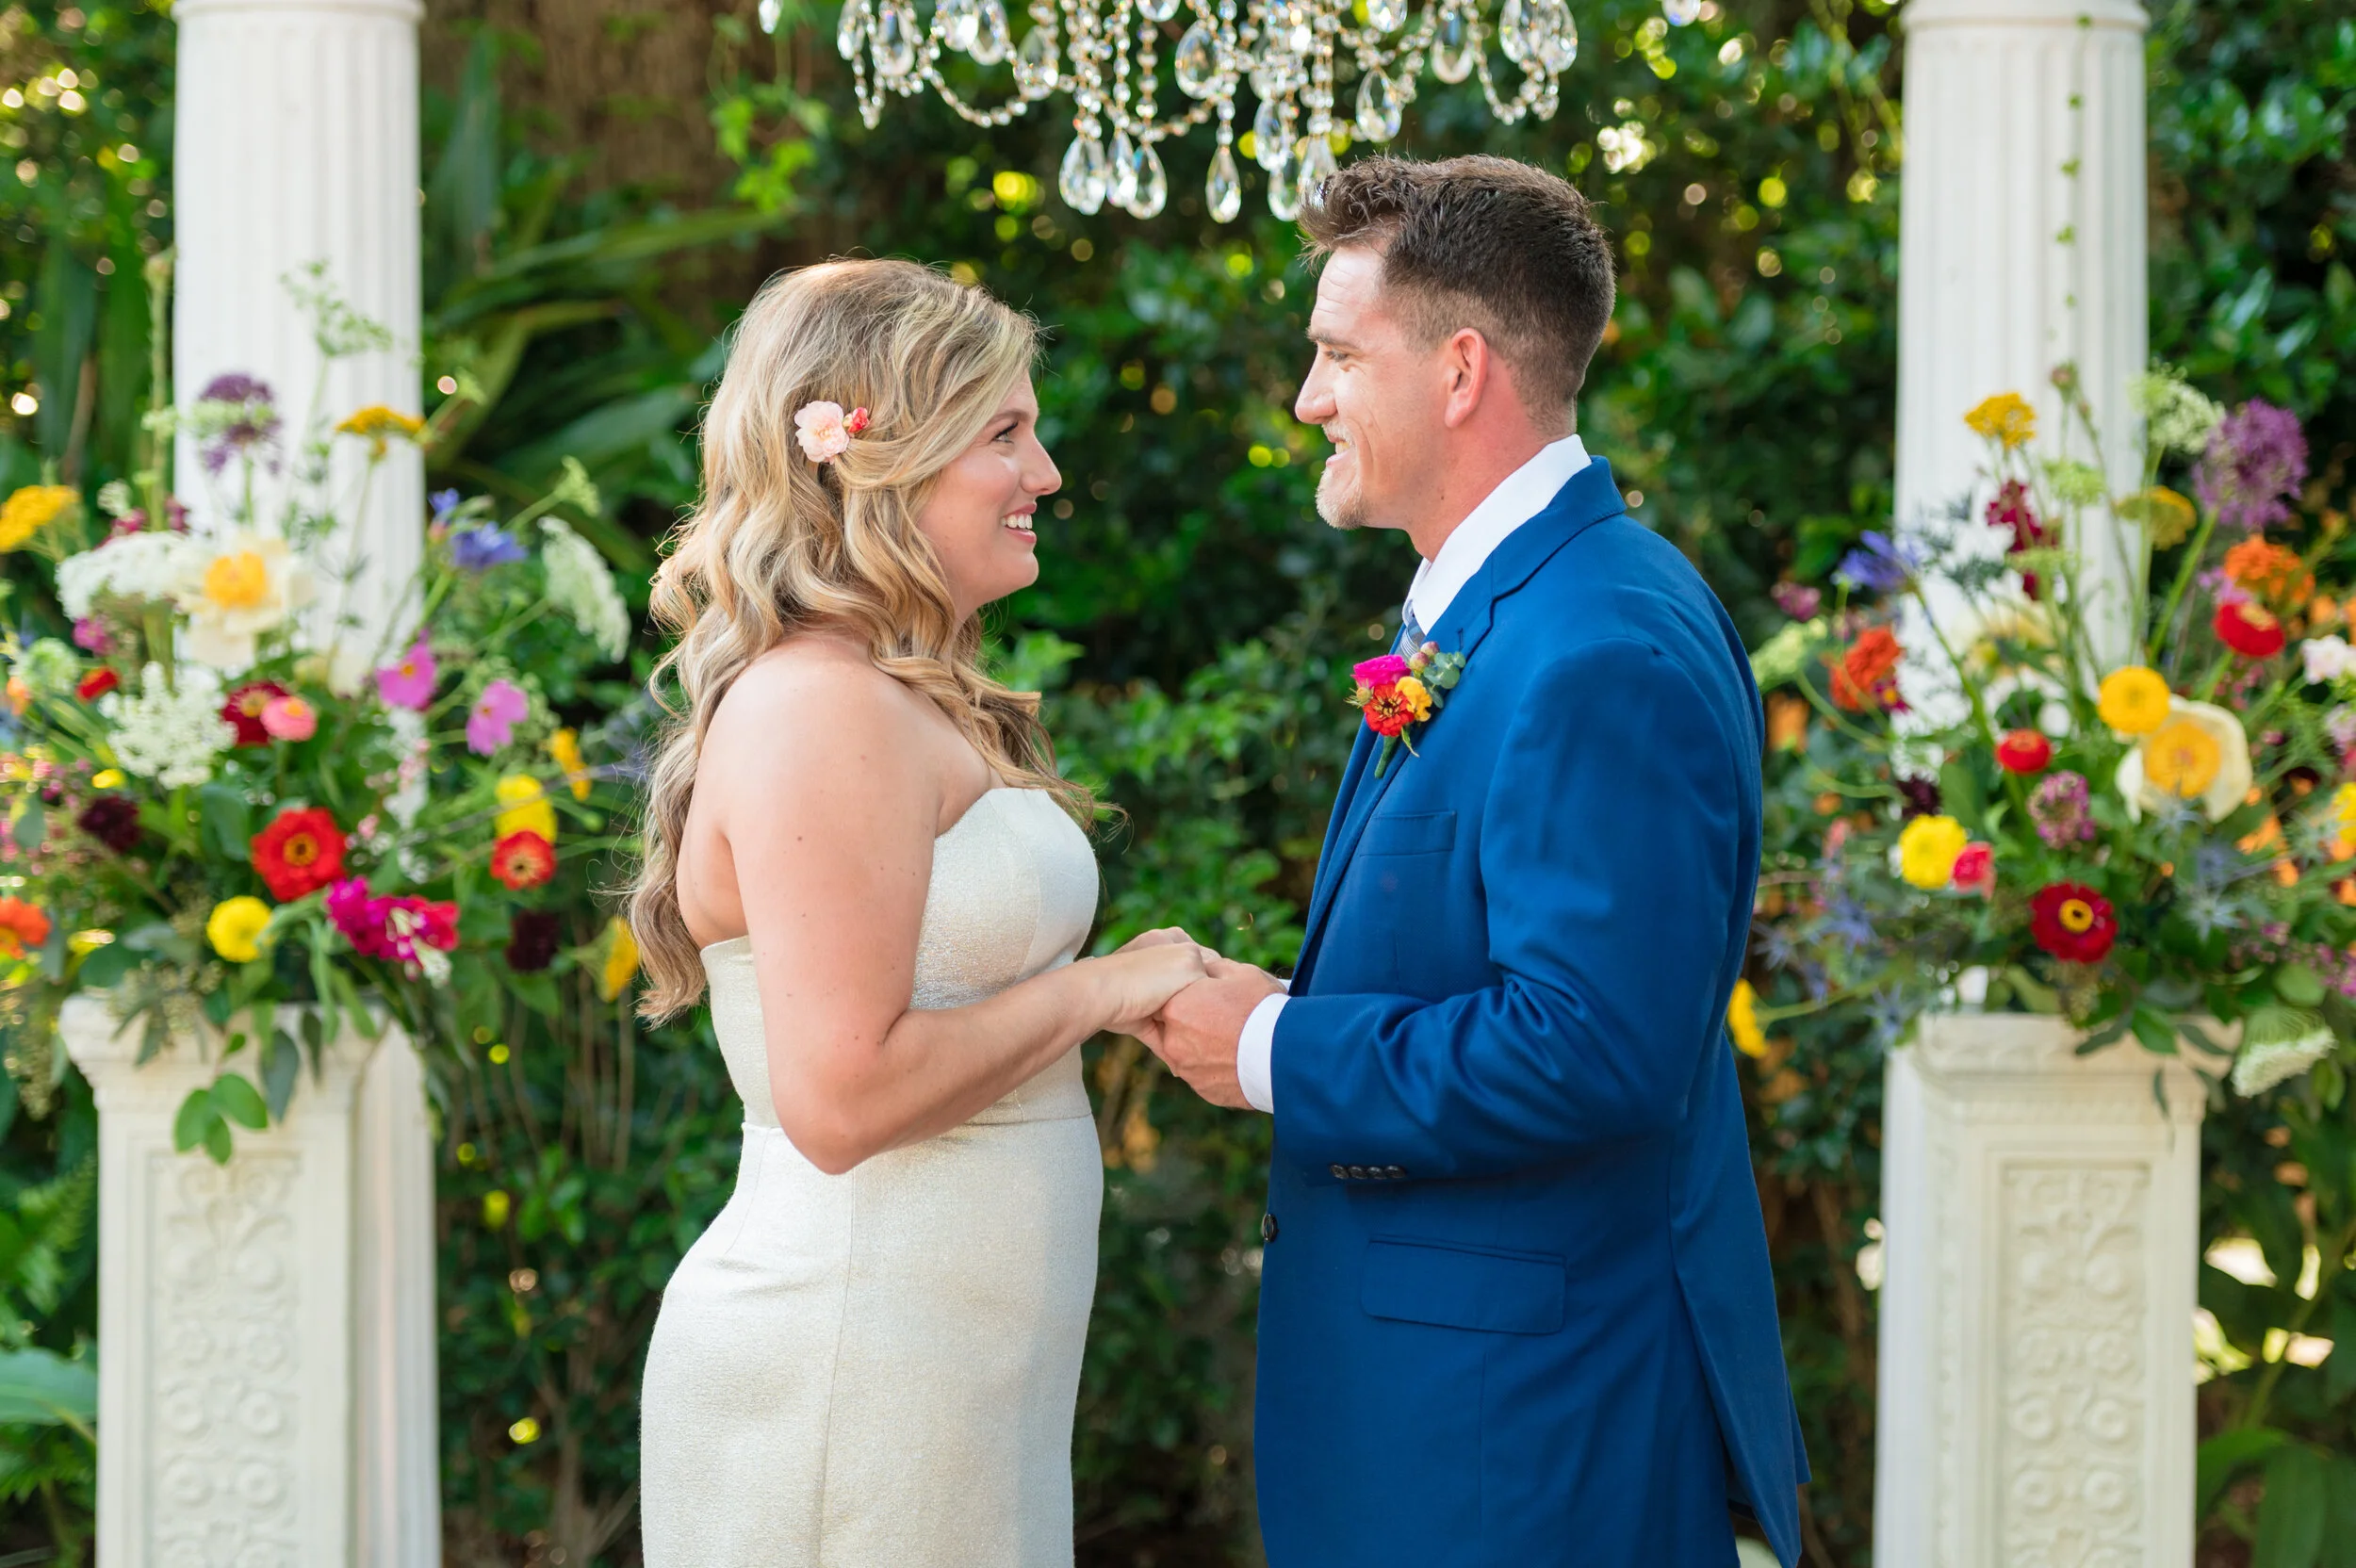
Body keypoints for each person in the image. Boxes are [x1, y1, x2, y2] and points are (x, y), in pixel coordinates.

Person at [1137, 156, 1809, 1566]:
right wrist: (1296, 1014)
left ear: (1457, 372)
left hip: (1519, 1439)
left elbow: (1590, 1048)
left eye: (1334, 354)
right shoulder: (1522, 609)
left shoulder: (1600, 645)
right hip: (1454, 1411)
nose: (1310, 398)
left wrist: (1272, 1051)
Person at [628, 258, 1206, 1567]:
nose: (1046, 472)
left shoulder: (899, 696)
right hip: (848, 1370)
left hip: (946, 1377)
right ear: (873, 459)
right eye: (1004, 433)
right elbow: (840, 1100)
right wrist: (1104, 989)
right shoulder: (815, 705)